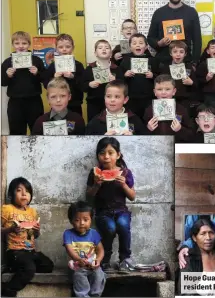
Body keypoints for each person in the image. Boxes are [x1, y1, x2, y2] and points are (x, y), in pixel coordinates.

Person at [86, 137, 136, 272]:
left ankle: (125, 258)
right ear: (98, 156)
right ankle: (105, 259)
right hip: (103, 212)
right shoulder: (94, 172)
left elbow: (132, 196)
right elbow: (89, 196)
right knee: (110, 228)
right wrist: (96, 184)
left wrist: (124, 184)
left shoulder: (125, 173)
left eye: (110, 153)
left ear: (118, 155)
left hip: (121, 211)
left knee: (123, 225)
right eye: (102, 153)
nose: (106, 157)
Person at [1, 177, 54, 297]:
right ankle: (8, 290)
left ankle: (18, 268)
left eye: (27, 191)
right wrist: (11, 229)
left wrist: (36, 231)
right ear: (11, 194)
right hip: (15, 251)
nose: (24, 193)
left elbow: (34, 235)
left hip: (30, 251)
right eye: (19, 190)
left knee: (48, 265)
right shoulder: (7, 209)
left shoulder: (32, 212)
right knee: (29, 268)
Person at [147, 0, 202, 65]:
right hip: (163, 63)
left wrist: (194, 62)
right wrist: (159, 43)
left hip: (185, 62)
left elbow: (197, 41)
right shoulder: (158, 13)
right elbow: (150, 38)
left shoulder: (191, 12)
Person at [1, 31, 45, 135]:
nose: (20, 46)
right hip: (15, 102)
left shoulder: (36, 60)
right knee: (16, 131)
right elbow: (3, 83)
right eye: (17, 43)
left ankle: (37, 151)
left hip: (34, 100)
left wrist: (37, 73)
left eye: (24, 43)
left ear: (29, 44)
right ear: (13, 45)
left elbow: (44, 79)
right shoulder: (7, 62)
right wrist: (7, 75)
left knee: (37, 130)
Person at [63, 201, 106, 297]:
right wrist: (78, 259)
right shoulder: (68, 234)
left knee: (99, 275)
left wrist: (97, 260)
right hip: (77, 266)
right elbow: (69, 249)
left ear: (91, 220)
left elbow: (100, 250)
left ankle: (95, 295)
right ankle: (83, 296)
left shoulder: (94, 233)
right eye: (77, 220)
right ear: (71, 221)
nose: (82, 223)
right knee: (79, 276)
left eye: (85, 220)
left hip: (92, 265)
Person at [176, 219, 215, 296]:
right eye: (203, 234)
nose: (208, 237)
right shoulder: (189, 259)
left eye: (211, 233)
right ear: (194, 238)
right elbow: (186, 293)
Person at [42, 33, 84, 115]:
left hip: (75, 103)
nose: (64, 49)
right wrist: (54, 78)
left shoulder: (78, 65)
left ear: (72, 48)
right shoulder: (53, 66)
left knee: (75, 125)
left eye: (68, 47)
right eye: (60, 47)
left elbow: (83, 85)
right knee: (58, 125)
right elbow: (45, 84)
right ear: (56, 49)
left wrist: (73, 77)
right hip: (57, 104)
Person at [144, 74, 194, 142]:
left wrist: (180, 129)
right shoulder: (149, 110)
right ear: (155, 92)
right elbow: (142, 136)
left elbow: (191, 136)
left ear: (174, 91)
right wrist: (148, 129)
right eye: (159, 89)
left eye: (167, 89)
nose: (163, 92)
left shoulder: (181, 110)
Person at [82, 39, 123, 122]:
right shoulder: (89, 68)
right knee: (95, 127)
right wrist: (89, 84)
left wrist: (116, 81)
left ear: (111, 54)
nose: (104, 49)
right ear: (95, 53)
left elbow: (124, 85)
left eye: (107, 48)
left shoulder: (117, 69)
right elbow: (82, 86)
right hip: (94, 104)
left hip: (114, 104)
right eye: (100, 48)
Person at [119, 33, 156, 119]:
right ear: (130, 47)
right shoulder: (125, 61)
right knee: (133, 120)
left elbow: (160, 79)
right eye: (134, 43)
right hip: (131, 98)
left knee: (147, 119)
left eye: (141, 43)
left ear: (146, 46)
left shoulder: (152, 60)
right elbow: (119, 79)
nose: (137, 45)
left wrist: (153, 76)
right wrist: (125, 75)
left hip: (148, 98)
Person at [158, 40, 196, 114]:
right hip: (169, 100)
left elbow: (196, 85)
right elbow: (160, 83)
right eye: (175, 52)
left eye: (181, 52)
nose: (178, 54)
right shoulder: (165, 68)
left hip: (184, 101)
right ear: (170, 53)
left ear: (185, 54)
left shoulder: (189, 67)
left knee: (183, 120)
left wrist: (191, 83)